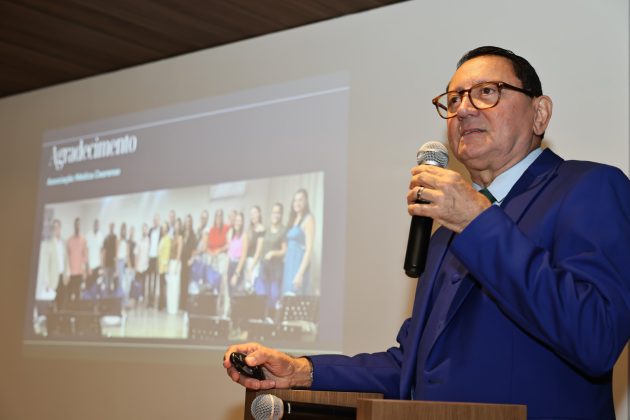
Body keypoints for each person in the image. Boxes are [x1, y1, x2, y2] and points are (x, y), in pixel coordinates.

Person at [223, 46, 630, 419]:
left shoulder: (588, 188)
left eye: (487, 92)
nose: (464, 110)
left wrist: (478, 222)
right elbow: (412, 367)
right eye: (453, 100)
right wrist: (303, 370)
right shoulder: (446, 233)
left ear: (540, 113)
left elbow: (596, 336)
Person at [282, 189, 315, 295]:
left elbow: (309, 249)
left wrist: (300, 274)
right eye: (295, 200)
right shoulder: (293, 219)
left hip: (298, 265)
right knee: (287, 297)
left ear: (306, 202)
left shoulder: (309, 219)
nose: (297, 203)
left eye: (300, 200)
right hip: (289, 264)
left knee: (296, 297)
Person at [65, 217, 87, 306]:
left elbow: (85, 256)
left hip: (80, 272)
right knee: (70, 294)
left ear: (80, 226)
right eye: (76, 224)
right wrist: (67, 272)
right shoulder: (69, 241)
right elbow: (67, 257)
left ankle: (77, 309)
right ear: (74, 226)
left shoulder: (83, 240)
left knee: (78, 295)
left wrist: (84, 272)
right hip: (71, 273)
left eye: (79, 224)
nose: (77, 226)